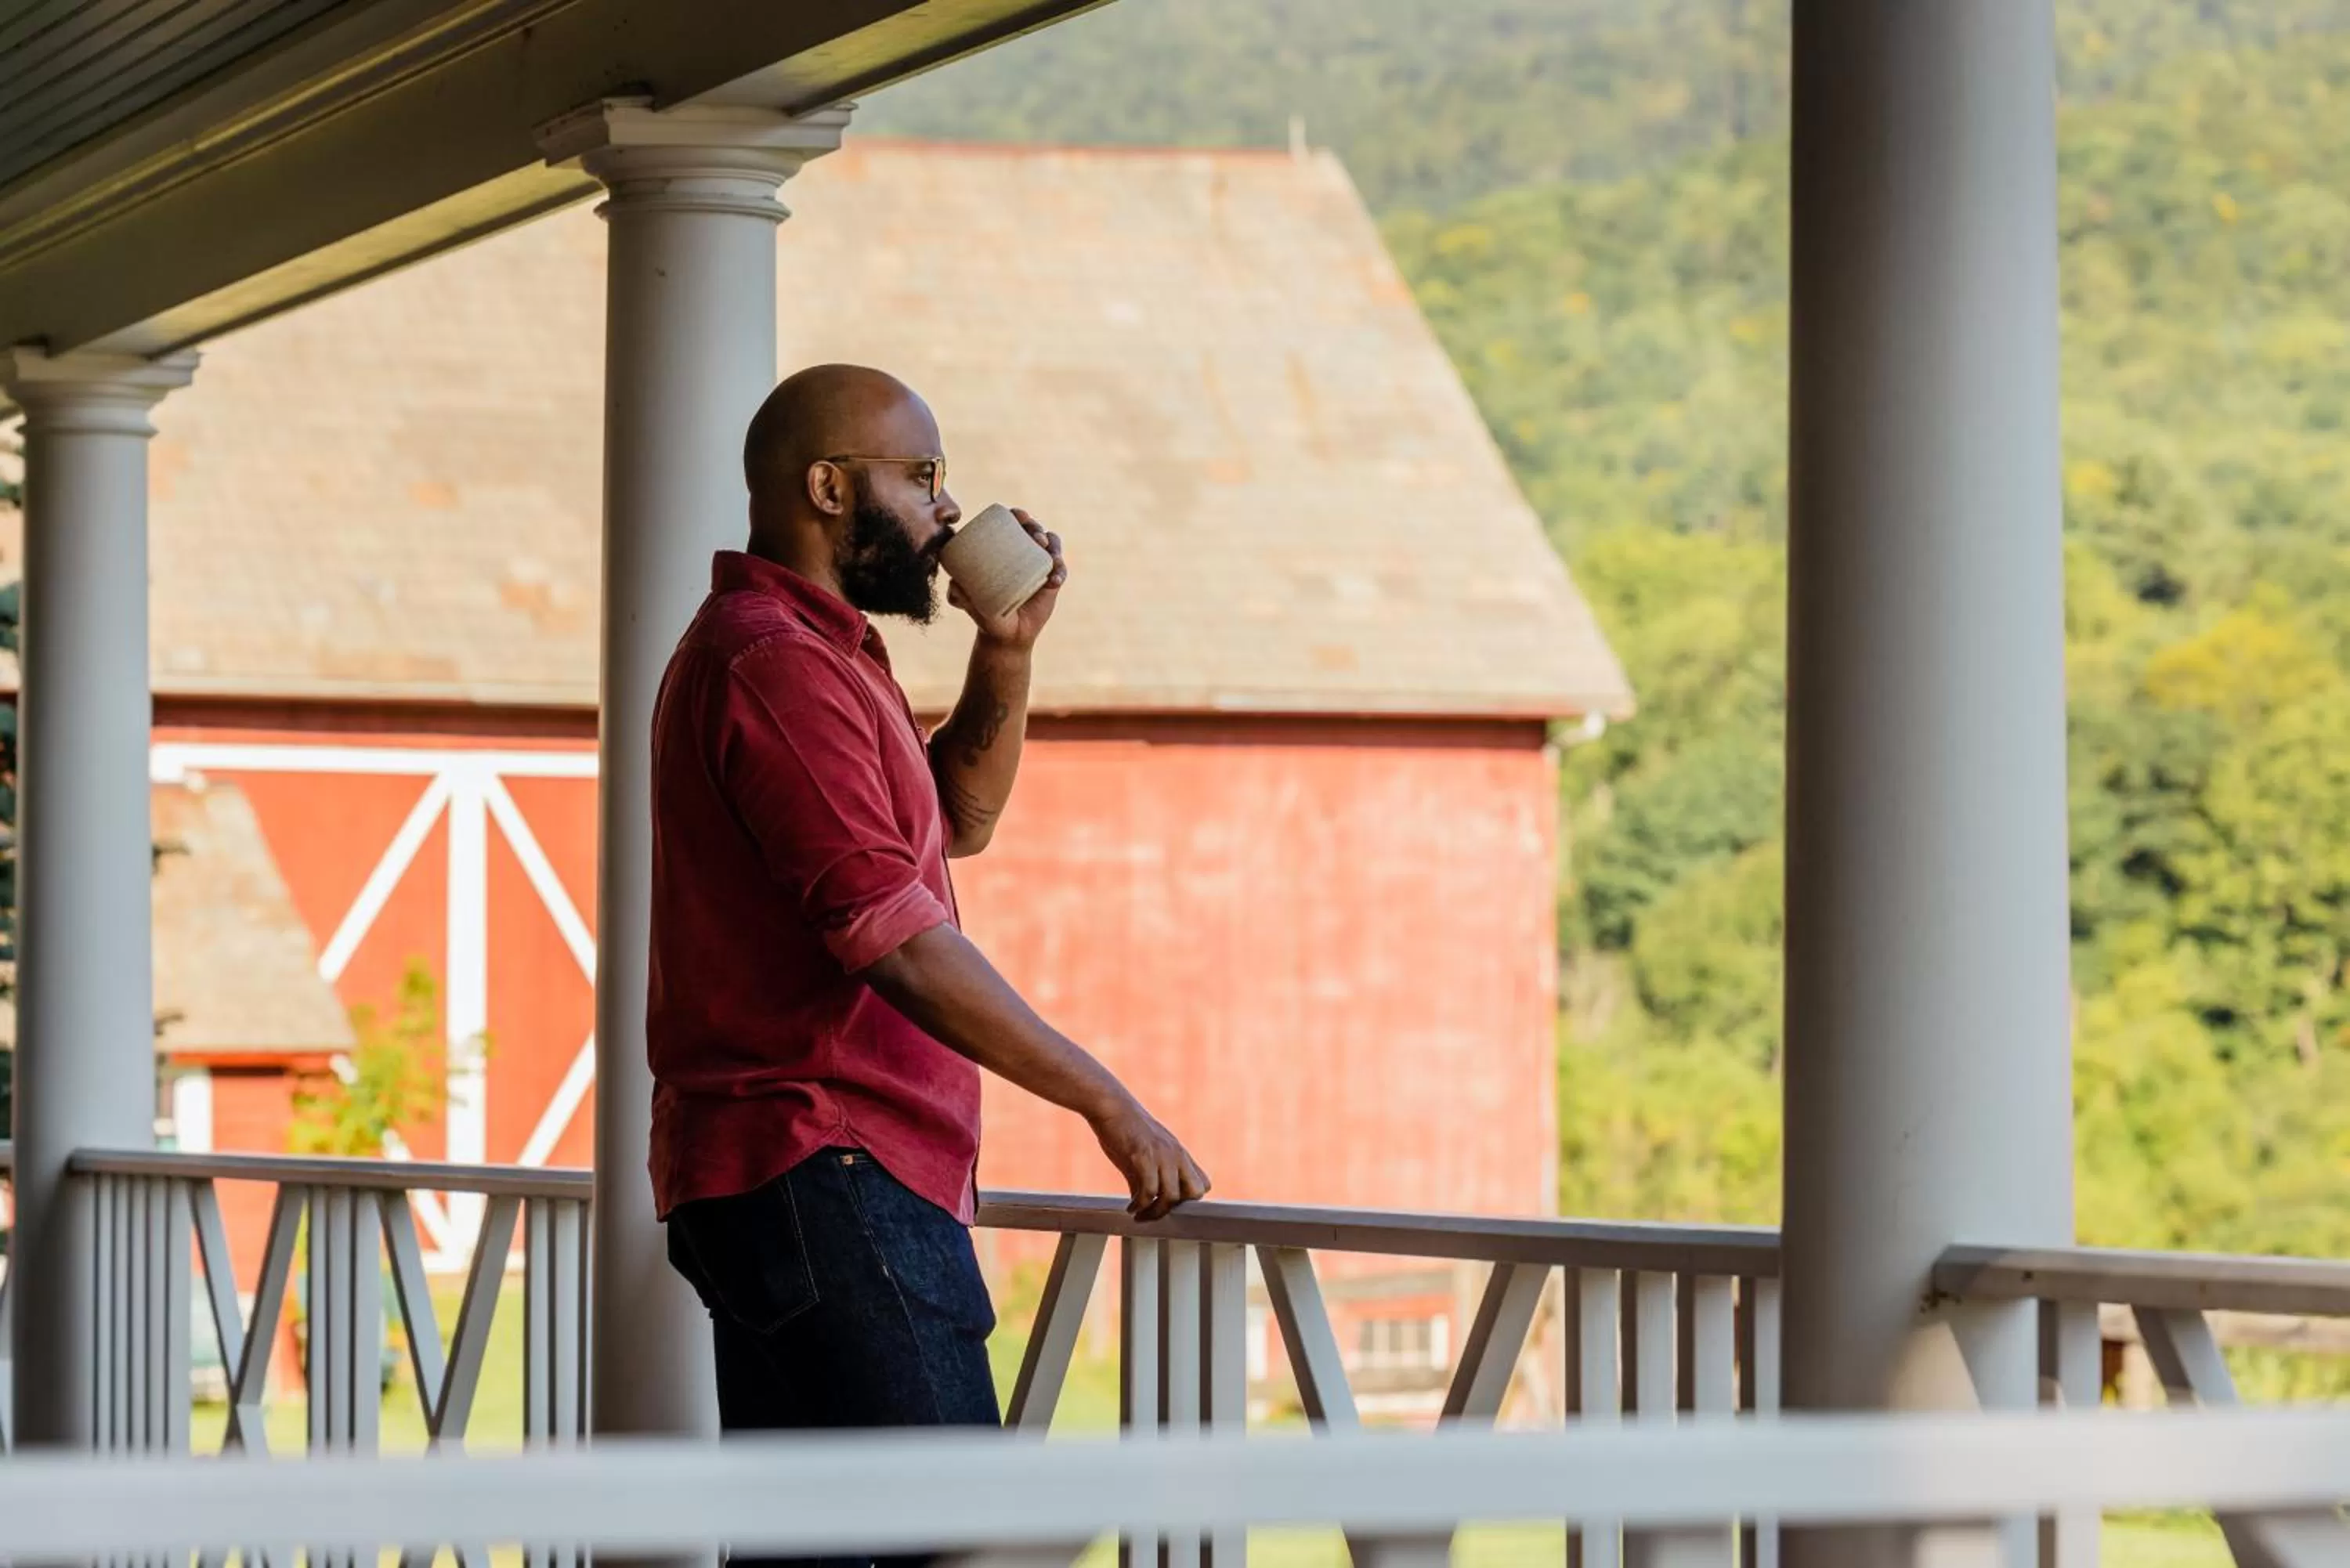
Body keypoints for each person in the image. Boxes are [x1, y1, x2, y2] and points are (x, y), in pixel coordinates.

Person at [647, 363, 1209, 1535]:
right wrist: (1110, 1102)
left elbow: (957, 825)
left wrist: (1004, 650)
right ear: (828, 488)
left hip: (782, 1174)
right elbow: (891, 938)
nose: (948, 508)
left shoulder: (826, 655)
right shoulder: (776, 664)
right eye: (921, 476)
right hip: (830, 1163)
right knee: (972, 1537)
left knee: (810, 1556)